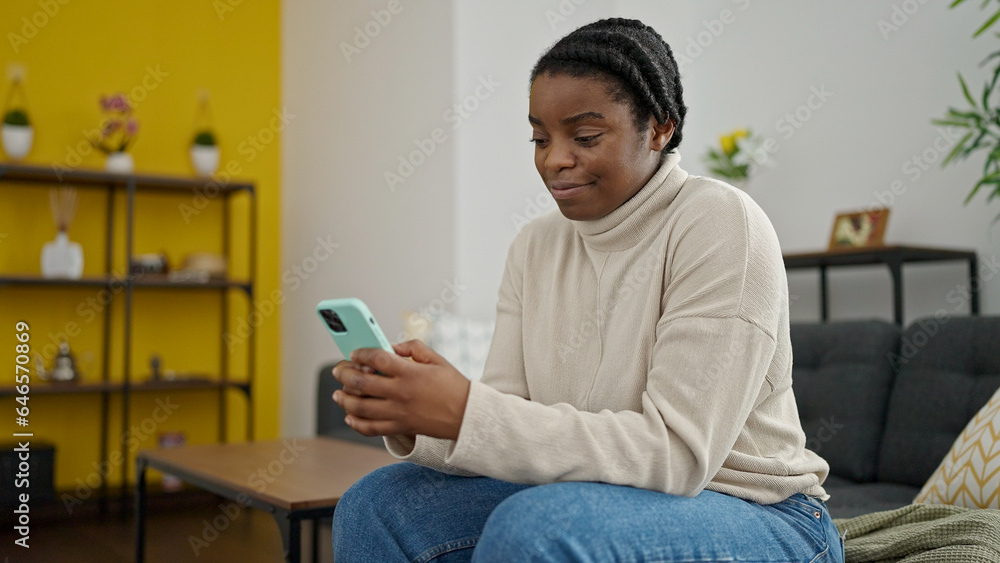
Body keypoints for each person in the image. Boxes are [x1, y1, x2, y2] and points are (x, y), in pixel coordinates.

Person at [330, 17, 844, 563]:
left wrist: (465, 413)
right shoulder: (535, 246)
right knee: (376, 502)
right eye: (539, 137)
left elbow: (676, 456)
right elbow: (507, 419)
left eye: (586, 136)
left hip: (758, 512)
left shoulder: (720, 224)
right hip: (594, 497)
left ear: (660, 128)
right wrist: (420, 419)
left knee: (541, 527)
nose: (554, 159)